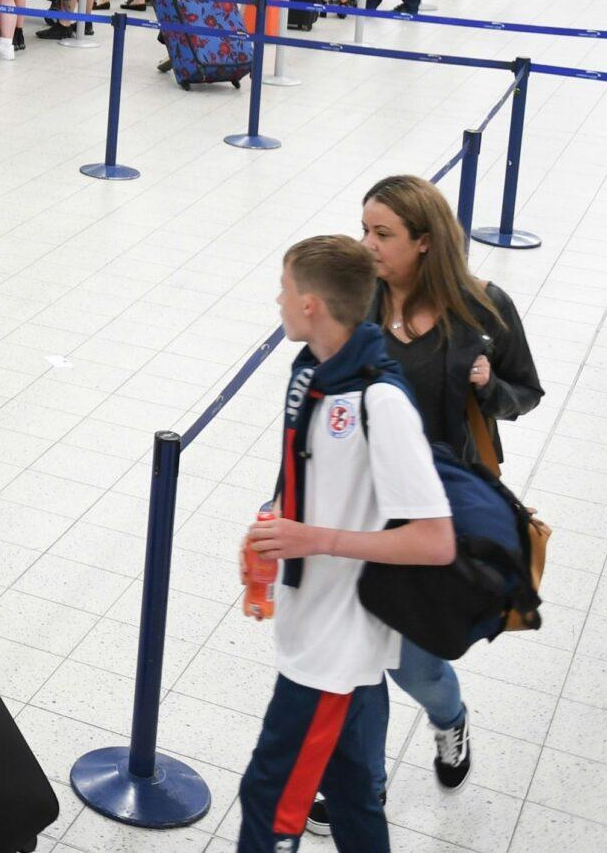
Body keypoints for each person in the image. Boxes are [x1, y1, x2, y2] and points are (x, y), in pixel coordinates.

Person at [316, 174, 544, 816]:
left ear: (424, 242)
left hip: (437, 518)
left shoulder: (485, 309)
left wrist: (490, 383)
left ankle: (451, 719)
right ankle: (364, 787)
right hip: (362, 507)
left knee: (415, 668)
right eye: (363, 228)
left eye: (382, 233)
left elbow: (526, 392)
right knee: (360, 666)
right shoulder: (359, 302)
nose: (367, 245)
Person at [238, 235, 456, 853]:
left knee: (271, 799)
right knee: (356, 797)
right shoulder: (307, 372)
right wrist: (273, 520)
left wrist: (315, 538)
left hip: (336, 647)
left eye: (283, 288)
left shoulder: (381, 402)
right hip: (315, 626)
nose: (276, 298)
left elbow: (435, 542)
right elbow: (306, 475)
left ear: (311, 304)